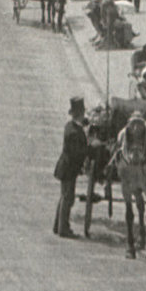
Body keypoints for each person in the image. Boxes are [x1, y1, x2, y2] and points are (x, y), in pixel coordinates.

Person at [117, 108, 146, 260]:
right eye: (132, 128)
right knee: (130, 208)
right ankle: (130, 243)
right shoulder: (124, 135)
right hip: (129, 170)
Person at [51, 96, 88, 238]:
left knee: (64, 197)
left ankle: (58, 226)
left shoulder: (71, 126)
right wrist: (90, 148)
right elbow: (77, 153)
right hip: (68, 168)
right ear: (79, 114)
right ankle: (63, 229)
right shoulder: (74, 132)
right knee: (68, 198)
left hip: (65, 168)